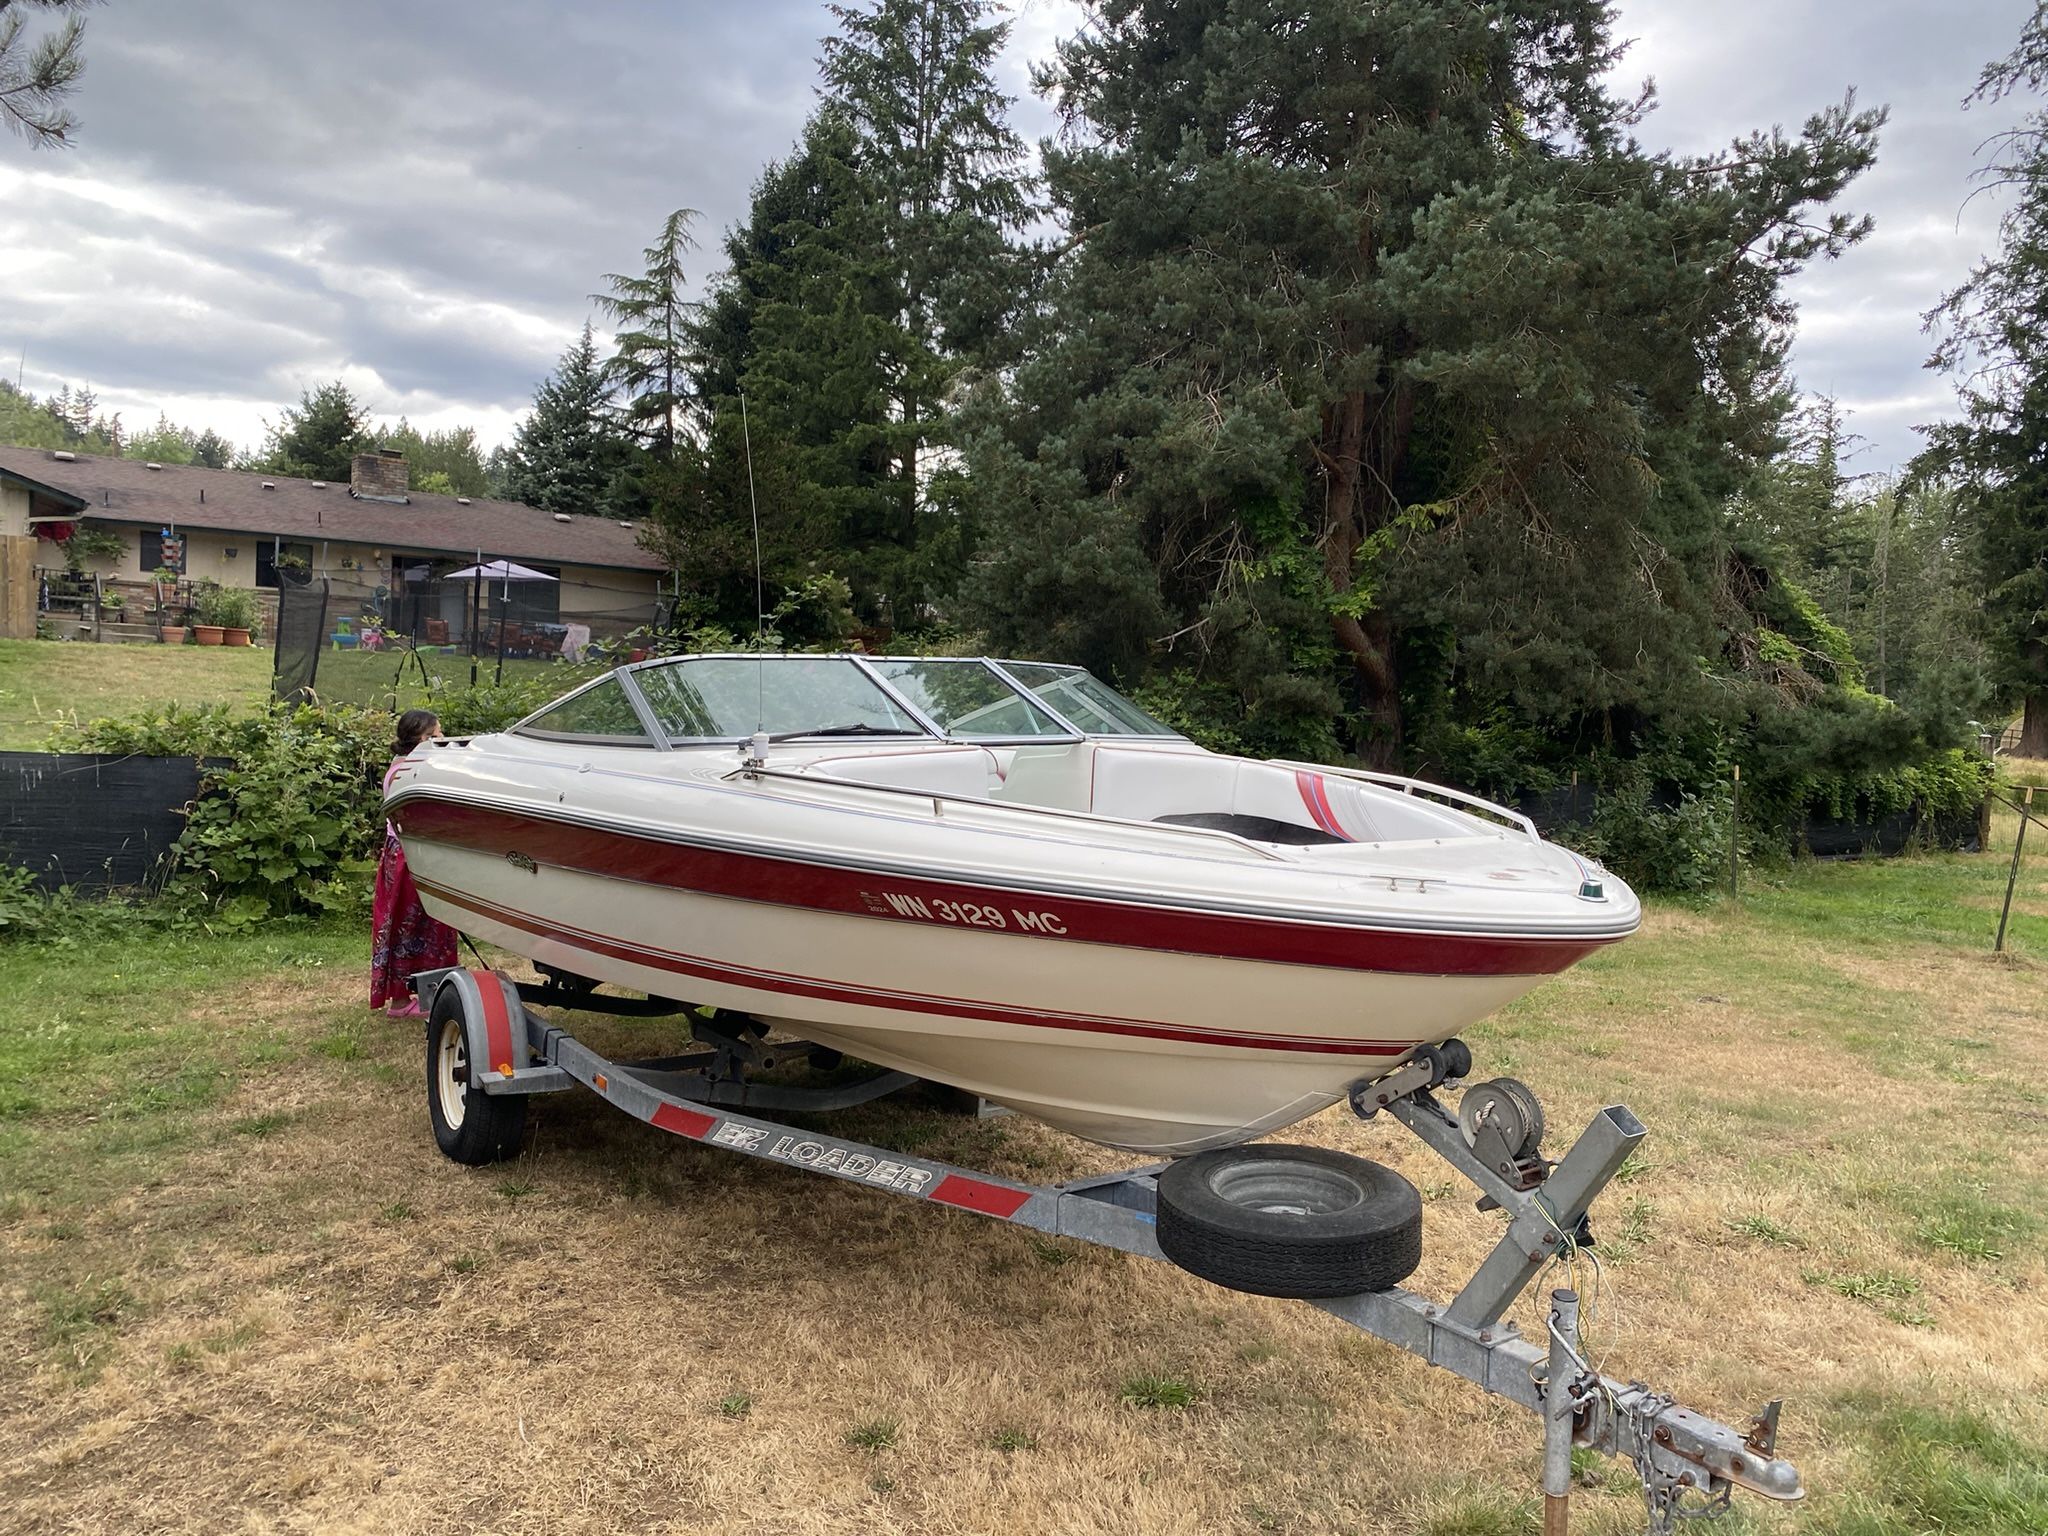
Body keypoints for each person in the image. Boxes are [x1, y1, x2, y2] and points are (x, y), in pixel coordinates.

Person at [370, 709, 458, 1018]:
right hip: (410, 856)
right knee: (408, 925)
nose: (442, 740)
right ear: (418, 740)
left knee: (430, 923)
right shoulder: (409, 771)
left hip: (410, 853)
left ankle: (428, 992)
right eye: (435, 736)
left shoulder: (407, 767)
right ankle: (399, 1000)